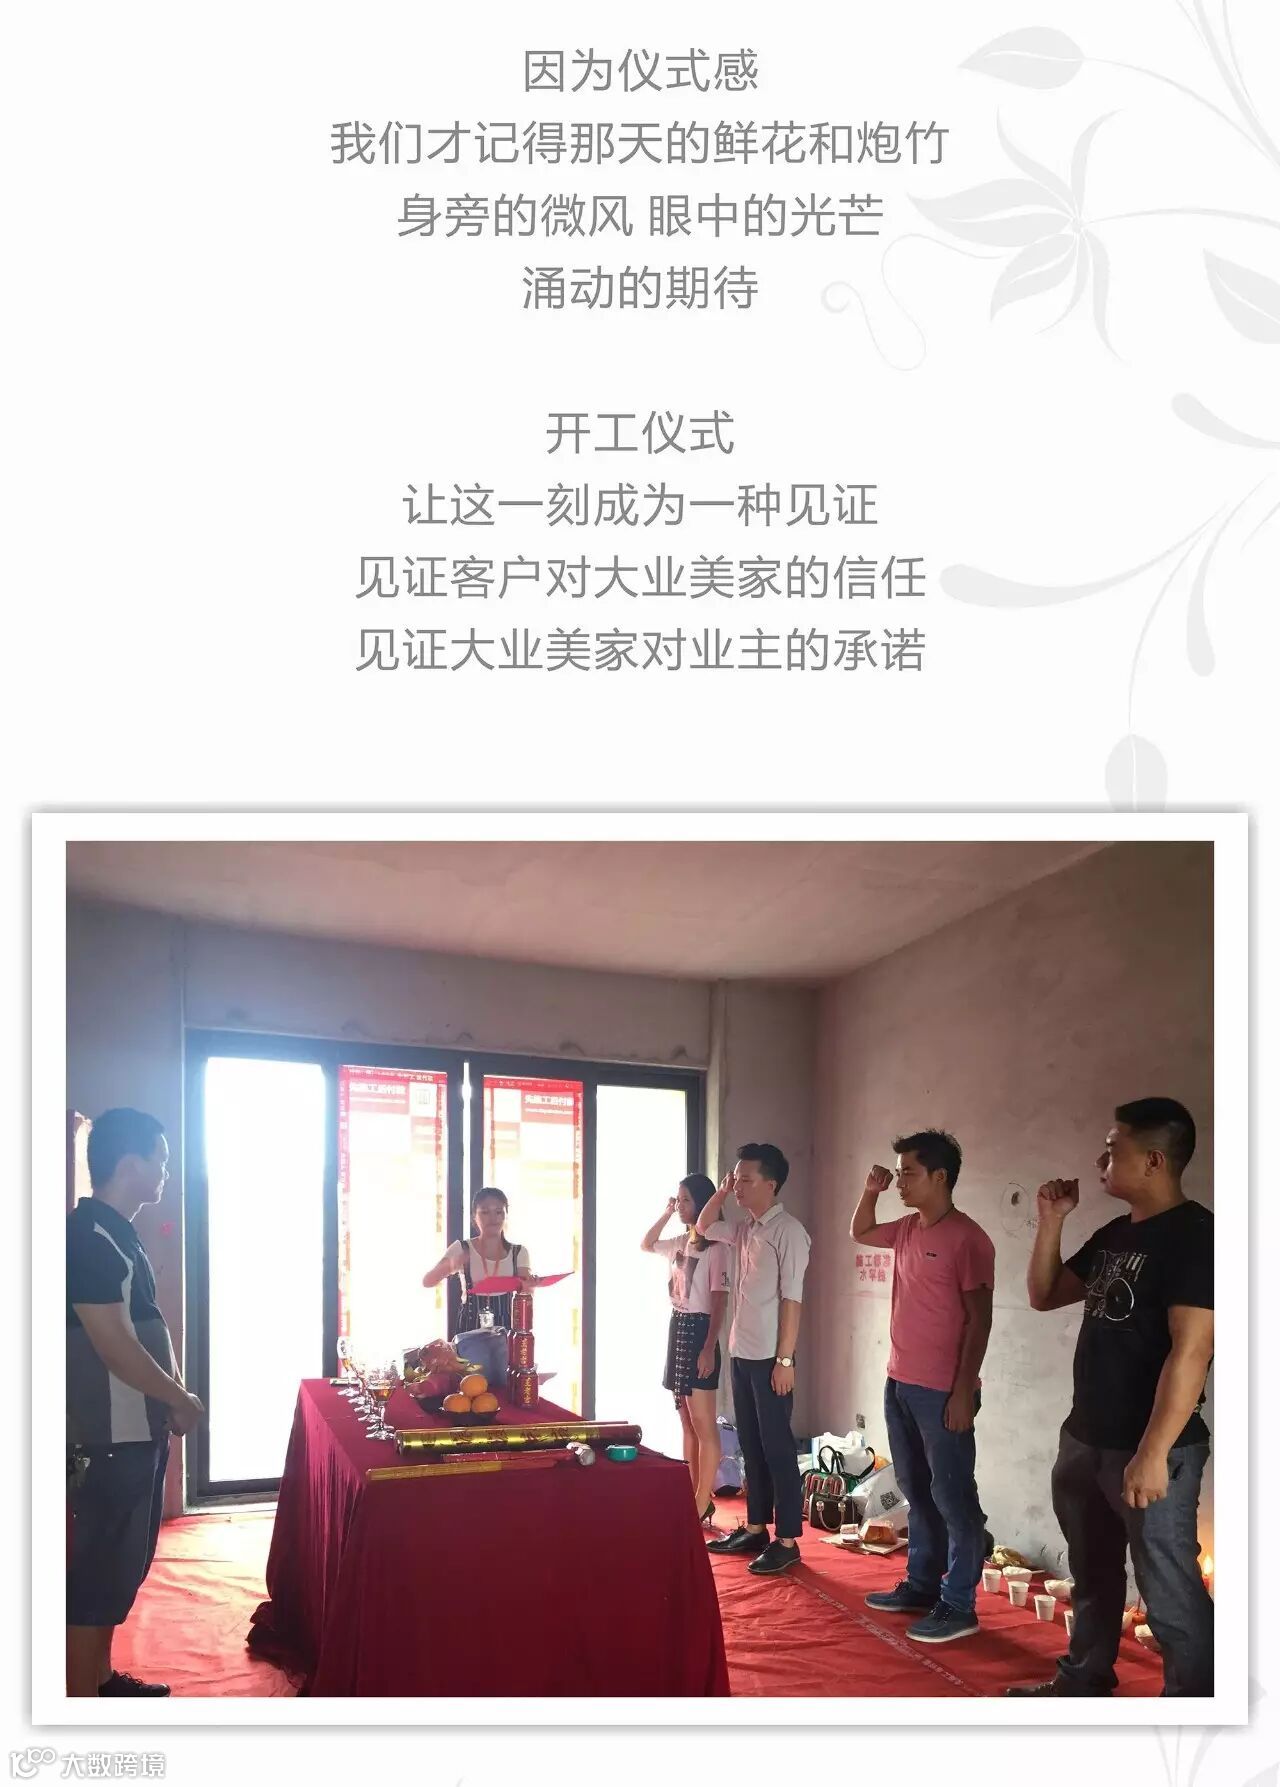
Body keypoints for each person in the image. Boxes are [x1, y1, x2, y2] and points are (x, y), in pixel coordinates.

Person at [1008, 1097, 1215, 1699]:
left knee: (1169, 1591)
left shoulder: (1197, 1237)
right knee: (1093, 1574)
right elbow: (1045, 1294)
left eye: (1112, 1148)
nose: (1101, 1160)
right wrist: (1051, 1219)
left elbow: (1192, 1351)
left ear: (1153, 1160)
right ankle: (1084, 1680)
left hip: (1149, 1447)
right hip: (1086, 1437)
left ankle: (1196, 1718)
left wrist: (1153, 1453)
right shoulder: (1116, 1234)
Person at [67, 1108, 206, 1698]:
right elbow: (115, 1344)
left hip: (136, 1430)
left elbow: (143, 1331)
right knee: (97, 1575)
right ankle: (78, 1703)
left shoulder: (119, 1232)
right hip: (108, 1436)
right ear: (130, 1164)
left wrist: (171, 1397)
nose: (166, 1172)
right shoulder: (89, 1238)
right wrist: (180, 1396)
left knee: (120, 1567)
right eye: (161, 1160)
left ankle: (99, 1680)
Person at [851, 1129, 995, 1645]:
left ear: (940, 1176)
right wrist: (869, 1190)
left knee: (953, 1495)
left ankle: (959, 1604)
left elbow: (979, 1320)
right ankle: (921, 1584)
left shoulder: (968, 1239)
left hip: (942, 1390)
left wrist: (963, 1391)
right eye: (898, 1173)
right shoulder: (909, 1228)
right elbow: (861, 1231)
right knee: (916, 1487)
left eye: (908, 1173)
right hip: (900, 1381)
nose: (900, 1183)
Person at [697, 1143, 810, 1577]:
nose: (739, 1186)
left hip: (770, 1358)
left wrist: (786, 1360)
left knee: (777, 1447)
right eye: (736, 1177)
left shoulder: (789, 1232)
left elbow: (792, 1300)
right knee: (751, 1444)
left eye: (746, 1179)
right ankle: (757, 1527)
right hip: (741, 1353)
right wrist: (723, 1191)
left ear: (771, 1184)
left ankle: (787, 1540)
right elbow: (704, 1225)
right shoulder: (745, 1229)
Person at [641, 1174, 731, 1524]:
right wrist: (666, 1213)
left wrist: (708, 1347)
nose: (680, 1205)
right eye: (678, 1199)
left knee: (704, 1424)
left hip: (700, 1330)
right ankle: (693, 1495)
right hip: (677, 1326)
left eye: (686, 1200)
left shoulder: (717, 1247)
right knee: (686, 1421)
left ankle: (701, 1500)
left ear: (703, 1203)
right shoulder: (681, 1241)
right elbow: (647, 1243)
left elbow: (720, 1302)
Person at [422, 1186, 536, 1336]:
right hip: (468, 1335)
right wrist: (450, 1265)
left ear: (506, 1215)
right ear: (474, 1217)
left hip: (505, 1336)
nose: (493, 1218)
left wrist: (529, 1286)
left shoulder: (519, 1252)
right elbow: (427, 1281)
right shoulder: (462, 1248)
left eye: (499, 1212)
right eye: (485, 1212)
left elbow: (526, 1293)